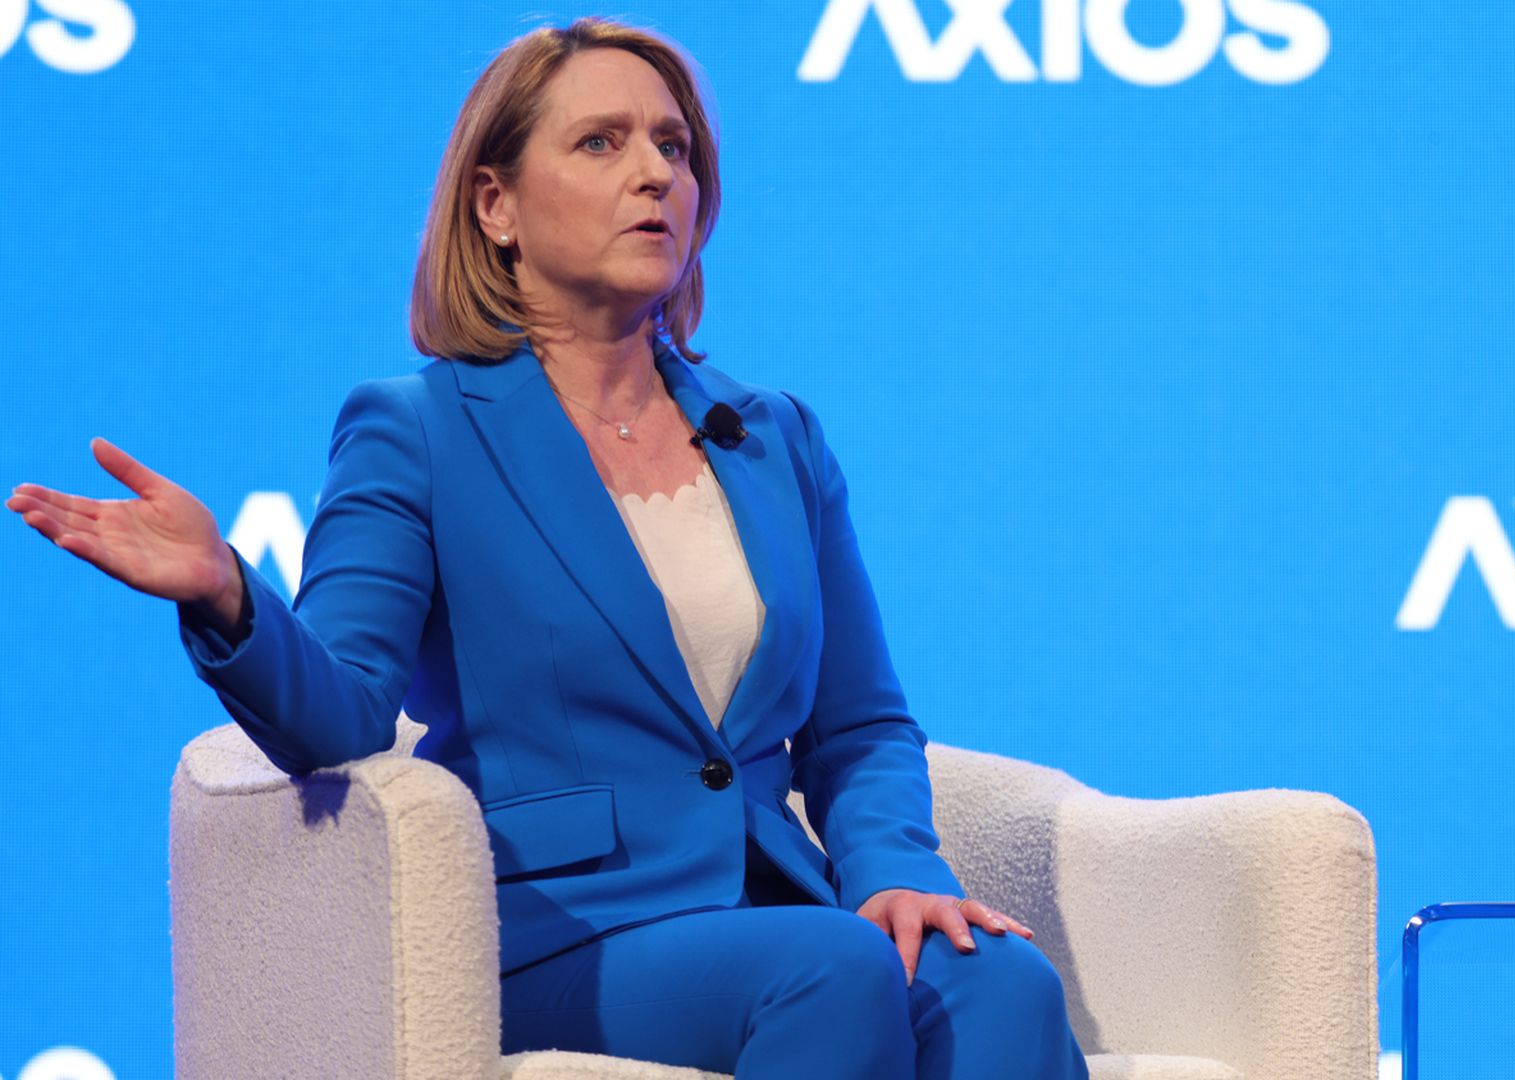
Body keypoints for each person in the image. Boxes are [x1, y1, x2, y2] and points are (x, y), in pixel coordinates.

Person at [6, 17, 1090, 1080]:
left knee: (996, 981)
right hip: (561, 929)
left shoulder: (775, 437)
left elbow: (859, 723)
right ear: (497, 206)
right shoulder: (419, 431)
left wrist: (895, 869)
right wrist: (228, 595)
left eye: (675, 146)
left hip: (781, 911)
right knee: (832, 973)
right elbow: (342, 709)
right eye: (601, 142)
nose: (656, 173)